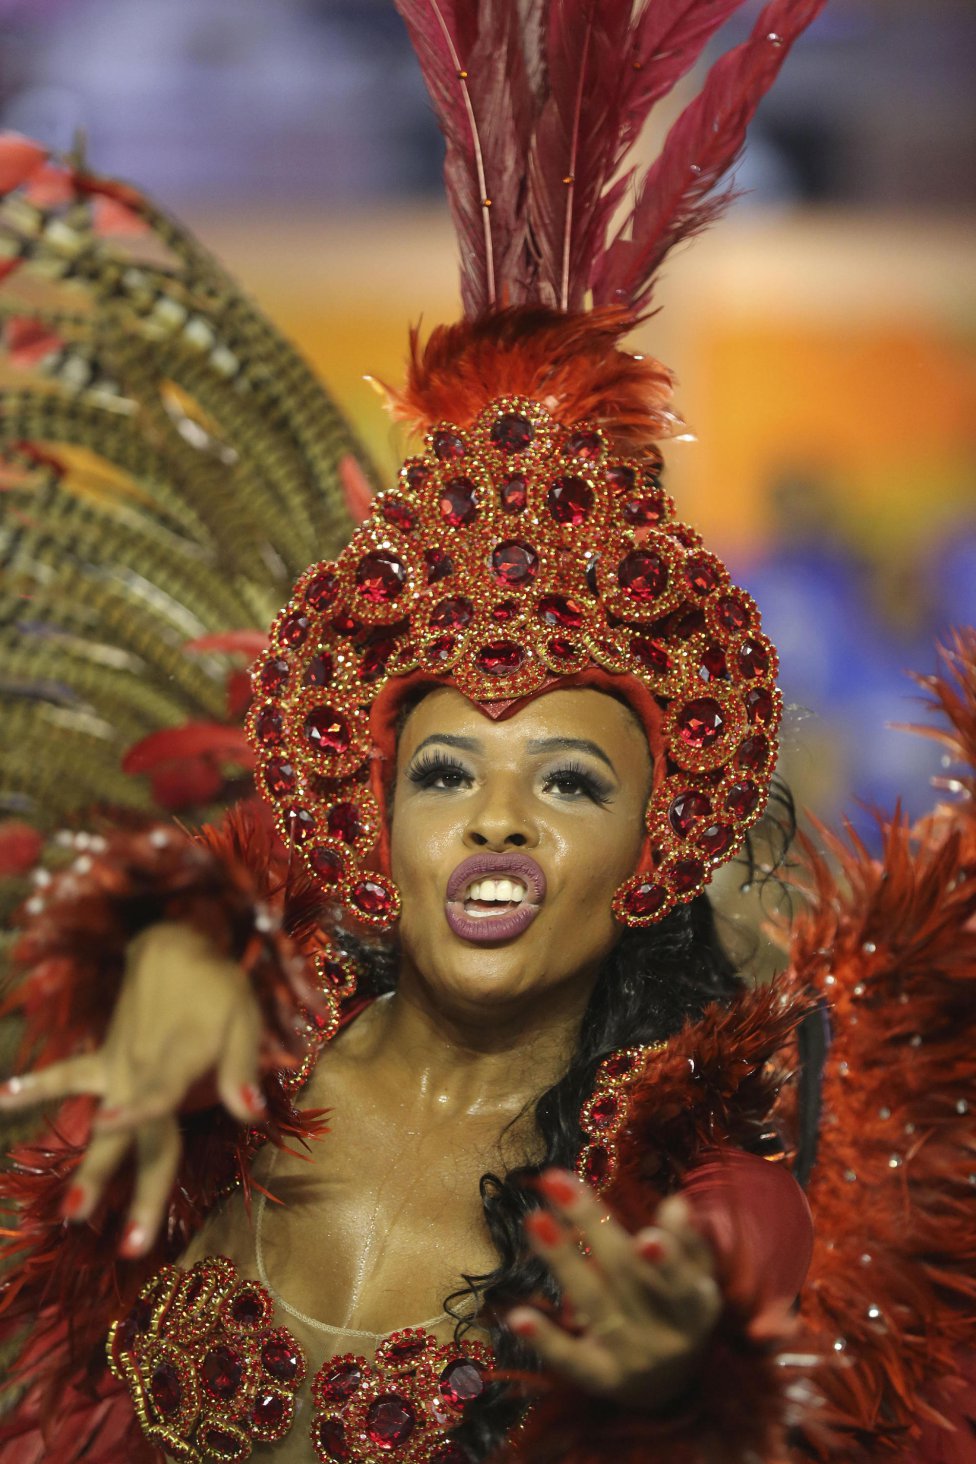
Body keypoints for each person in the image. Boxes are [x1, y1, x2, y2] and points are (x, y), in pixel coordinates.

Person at [0, 4, 974, 1462]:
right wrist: (163, 944)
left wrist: (681, 1385)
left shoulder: (684, 1171)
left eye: (569, 779)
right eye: (447, 767)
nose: (496, 818)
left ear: (653, 851)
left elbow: (758, 1248)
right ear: (376, 817)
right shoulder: (220, 1060)